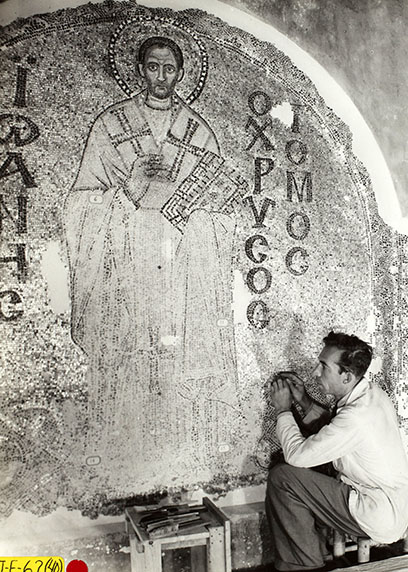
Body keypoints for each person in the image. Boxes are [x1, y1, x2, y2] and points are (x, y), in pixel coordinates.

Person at [64, 36, 245, 457]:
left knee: (177, 354)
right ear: (139, 69)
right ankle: (119, 448)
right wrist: (127, 188)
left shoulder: (197, 131)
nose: (160, 76)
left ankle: (181, 448)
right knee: (125, 352)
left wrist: (192, 206)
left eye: (169, 68)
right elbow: (79, 206)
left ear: (181, 74)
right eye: (152, 66)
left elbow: (220, 209)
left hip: (182, 266)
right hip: (123, 261)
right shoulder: (112, 125)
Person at [266, 332, 408, 571]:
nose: (315, 372)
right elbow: (336, 430)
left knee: (283, 477)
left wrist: (283, 410)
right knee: (307, 475)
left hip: (377, 513)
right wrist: (303, 401)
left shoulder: (356, 417)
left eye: (324, 366)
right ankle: (313, 553)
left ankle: (303, 567)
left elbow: (298, 456)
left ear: (347, 376)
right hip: (390, 504)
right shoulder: (371, 393)